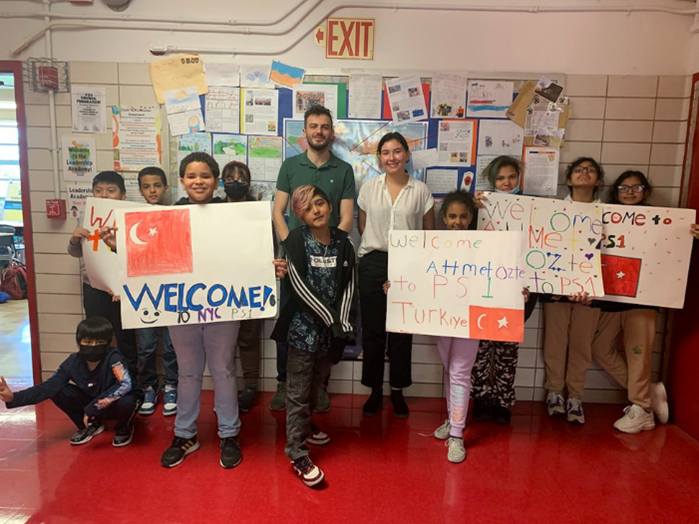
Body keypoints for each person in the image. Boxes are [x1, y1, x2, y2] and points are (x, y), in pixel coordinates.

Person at [143, 152, 288, 469]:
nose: (198, 181)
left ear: (216, 181)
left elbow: (252, 256)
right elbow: (150, 260)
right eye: (192, 176)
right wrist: (119, 248)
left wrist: (271, 266)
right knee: (188, 372)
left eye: (205, 175)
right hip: (181, 308)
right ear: (182, 181)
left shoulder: (235, 216)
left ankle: (229, 433)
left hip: (223, 307)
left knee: (223, 370)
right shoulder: (168, 216)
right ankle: (184, 434)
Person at [270, 105, 356, 413]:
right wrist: (292, 246)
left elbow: (346, 218)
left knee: (325, 321)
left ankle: (320, 386)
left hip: (329, 260)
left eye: (324, 126)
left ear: (331, 132)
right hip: (295, 258)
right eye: (313, 126)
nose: (319, 131)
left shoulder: (344, 170)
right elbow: (277, 212)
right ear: (304, 132)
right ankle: (284, 383)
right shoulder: (290, 166)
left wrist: (331, 249)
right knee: (292, 318)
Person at [271, 185, 356, 487]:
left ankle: (305, 427)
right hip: (302, 332)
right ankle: (296, 451)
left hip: (329, 336)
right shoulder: (294, 241)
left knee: (316, 386)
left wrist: (342, 323)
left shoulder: (345, 242)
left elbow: (349, 285)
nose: (316, 211)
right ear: (300, 215)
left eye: (319, 203)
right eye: (308, 208)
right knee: (297, 389)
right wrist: (333, 320)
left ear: (330, 205)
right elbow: (298, 288)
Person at [357, 132, 435, 419]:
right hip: (374, 262)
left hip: (409, 264)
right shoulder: (368, 188)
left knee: (402, 332)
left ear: (407, 155)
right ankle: (375, 390)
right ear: (380, 157)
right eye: (386, 152)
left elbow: (428, 232)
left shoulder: (421, 191)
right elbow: (365, 227)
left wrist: (416, 267)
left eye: (397, 151)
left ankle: (398, 390)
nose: (392, 157)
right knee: (374, 332)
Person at [590, 171, 672, 433]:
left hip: (643, 300)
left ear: (646, 192)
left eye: (637, 187)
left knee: (639, 355)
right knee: (599, 347)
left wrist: (690, 235)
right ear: (616, 191)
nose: (630, 191)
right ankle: (647, 394)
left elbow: (675, 255)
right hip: (612, 299)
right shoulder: (604, 217)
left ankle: (642, 409)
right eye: (624, 187)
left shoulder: (664, 222)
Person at [0, 317, 142, 447]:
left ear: (108, 343)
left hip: (114, 405)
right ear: (78, 343)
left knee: (128, 401)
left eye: (99, 342)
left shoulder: (114, 358)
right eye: (88, 342)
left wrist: (94, 407)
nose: (93, 346)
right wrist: (14, 398)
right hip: (91, 406)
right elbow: (48, 387)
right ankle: (89, 426)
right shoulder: (72, 362)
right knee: (59, 390)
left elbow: (125, 384)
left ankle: (124, 427)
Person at [471, 156, 537, 425]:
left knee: (507, 353)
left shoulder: (533, 208)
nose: (506, 182)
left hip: (517, 290)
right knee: (480, 351)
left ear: (519, 177)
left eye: (511, 177)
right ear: (492, 181)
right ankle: (481, 399)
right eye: (500, 178)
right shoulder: (482, 208)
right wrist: (475, 208)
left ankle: (502, 401)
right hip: (484, 288)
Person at [542, 157, 604, 425]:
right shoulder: (553, 210)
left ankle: (575, 397)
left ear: (598, 180)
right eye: (579, 169)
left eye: (590, 170)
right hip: (556, 291)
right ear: (568, 179)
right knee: (555, 344)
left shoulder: (608, 213)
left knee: (581, 347)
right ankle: (554, 393)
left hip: (591, 294)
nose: (584, 173)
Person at [68, 171, 138, 377]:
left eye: (111, 190)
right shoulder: (87, 215)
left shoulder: (129, 215)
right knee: (96, 335)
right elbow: (76, 252)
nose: (104, 195)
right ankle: (101, 379)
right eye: (98, 191)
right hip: (93, 285)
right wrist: (74, 240)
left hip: (121, 288)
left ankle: (131, 381)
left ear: (122, 195)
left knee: (125, 337)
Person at [222, 160, 266, 412]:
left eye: (241, 179)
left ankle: (250, 387)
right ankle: (225, 388)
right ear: (221, 182)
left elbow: (266, 247)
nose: (236, 183)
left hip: (249, 284)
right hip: (217, 286)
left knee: (248, 338)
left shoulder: (257, 212)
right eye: (229, 178)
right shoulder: (211, 209)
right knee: (222, 341)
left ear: (249, 183)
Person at [135, 166, 178, 417]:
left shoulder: (176, 214)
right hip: (144, 293)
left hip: (172, 291)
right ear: (140, 190)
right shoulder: (132, 217)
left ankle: (172, 384)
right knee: (147, 345)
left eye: (157, 186)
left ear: (166, 188)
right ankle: (149, 386)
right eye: (147, 186)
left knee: (172, 346)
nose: (152, 190)